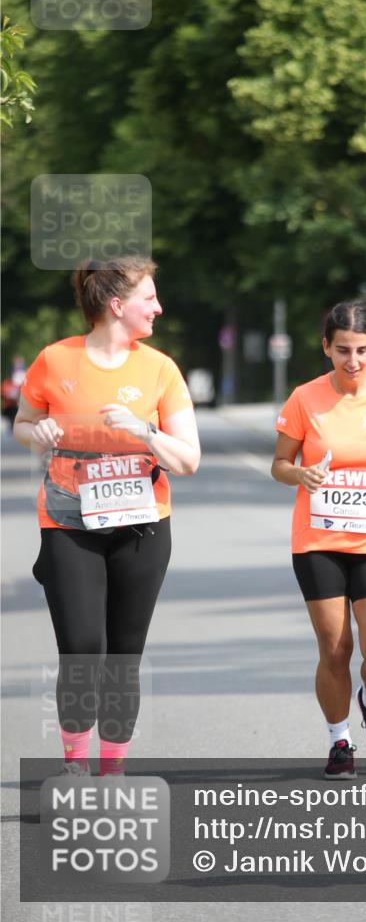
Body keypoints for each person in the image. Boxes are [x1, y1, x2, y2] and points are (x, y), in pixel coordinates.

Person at [14, 257, 200, 775]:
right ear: (117, 306)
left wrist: (146, 432)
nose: (159, 308)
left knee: (123, 654)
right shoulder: (55, 360)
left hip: (141, 526)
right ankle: (75, 763)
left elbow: (188, 459)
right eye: (150, 298)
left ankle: (112, 768)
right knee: (80, 649)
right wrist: (39, 433)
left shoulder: (160, 369)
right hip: (68, 522)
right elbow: (23, 424)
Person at [272, 301, 366, 779]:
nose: (352, 360)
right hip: (318, 540)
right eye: (342, 350)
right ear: (326, 348)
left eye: (361, 350)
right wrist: (301, 473)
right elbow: (280, 464)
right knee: (335, 649)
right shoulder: (304, 398)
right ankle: (340, 741)